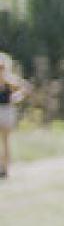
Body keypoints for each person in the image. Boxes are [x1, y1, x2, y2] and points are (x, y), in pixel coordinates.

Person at [0, 52, 30, 180]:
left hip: (6, 111)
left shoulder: (9, 80)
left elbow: (26, 88)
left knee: (6, 142)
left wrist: (15, 98)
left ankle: (5, 169)